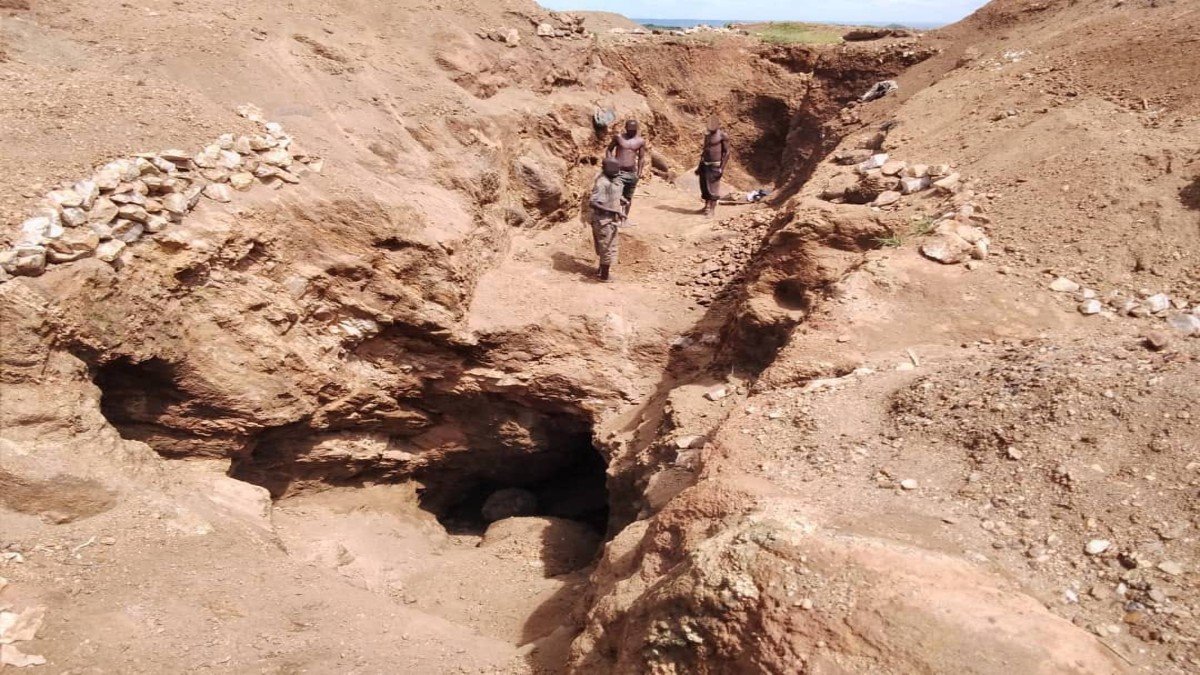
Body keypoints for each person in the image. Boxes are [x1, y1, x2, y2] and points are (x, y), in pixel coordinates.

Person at [589, 157, 627, 282]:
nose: (618, 171)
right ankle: (604, 276)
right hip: (603, 221)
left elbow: (612, 193)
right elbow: (594, 203)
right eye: (615, 169)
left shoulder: (612, 180)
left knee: (608, 246)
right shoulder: (601, 183)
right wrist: (615, 211)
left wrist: (620, 199)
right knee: (607, 247)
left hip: (610, 220)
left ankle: (601, 270)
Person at [607, 120, 647, 216]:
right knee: (616, 195)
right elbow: (609, 150)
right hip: (618, 172)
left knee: (628, 197)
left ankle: (624, 218)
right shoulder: (619, 138)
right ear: (625, 128)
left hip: (632, 173)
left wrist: (639, 172)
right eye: (629, 130)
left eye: (633, 130)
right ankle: (614, 217)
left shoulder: (640, 141)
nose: (631, 132)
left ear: (637, 129)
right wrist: (610, 163)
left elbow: (641, 158)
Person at [696, 116, 730, 218]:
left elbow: (727, 152)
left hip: (715, 165)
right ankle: (706, 206)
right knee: (704, 187)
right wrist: (699, 165)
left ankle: (712, 210)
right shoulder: (707, 135)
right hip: (704, 164)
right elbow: (705, 150)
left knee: (713, 188)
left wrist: (721, 168)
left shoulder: (722, 135)